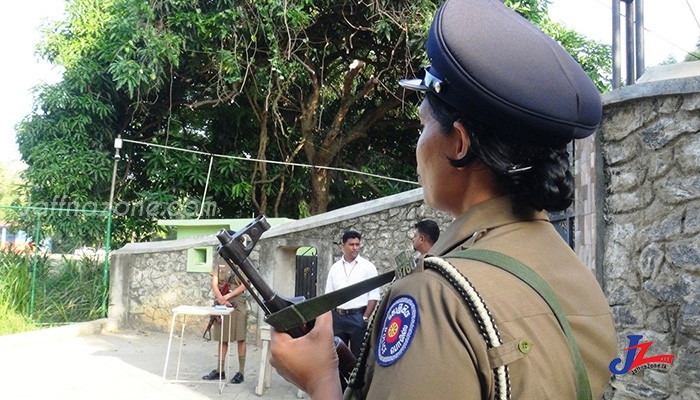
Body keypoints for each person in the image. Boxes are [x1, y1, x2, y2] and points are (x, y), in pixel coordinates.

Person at [268, 0, 617, 399]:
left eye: (423, 125)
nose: (418, 146)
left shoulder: (436, 297)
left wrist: (319, 380)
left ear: (458, 142)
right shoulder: (577, 278)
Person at [325, 230, 381, 359]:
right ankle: (340, 380)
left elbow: (373, 296)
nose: (355, 248)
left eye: (357, 244)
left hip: (358, 317)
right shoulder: (335, 268)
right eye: (351, 244)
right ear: (342, 246)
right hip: (338, 318)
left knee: (358, 357)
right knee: (337, 357)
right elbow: (328, 295)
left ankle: (357, 380)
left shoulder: (368, 267)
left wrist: (364, 318)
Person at [202, 261, 248, 384]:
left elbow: (244, 285)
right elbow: (214, 283)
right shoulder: (220, 263)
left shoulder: (243, 262)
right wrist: (220, 298)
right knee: (223, 338)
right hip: (221, 300)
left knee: (240, 338)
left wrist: (226, 297)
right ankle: (220, 371)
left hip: (238, 302)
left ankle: (241, 373)